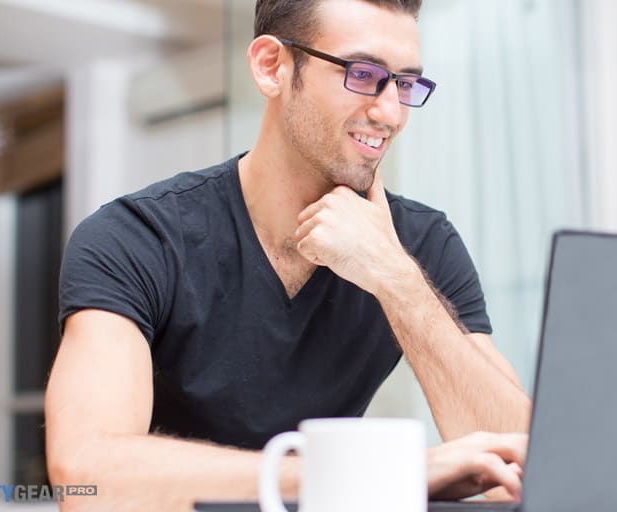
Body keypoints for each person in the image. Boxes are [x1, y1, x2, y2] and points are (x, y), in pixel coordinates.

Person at [44, 0, 532, 509]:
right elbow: (87, 473)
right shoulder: (136, 238)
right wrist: (381, 474)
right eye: (362, 75)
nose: (391, 114)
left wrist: (396, 279)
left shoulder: (422, 245)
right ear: (271, 67)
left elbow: (524, 466)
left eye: (405, 84)